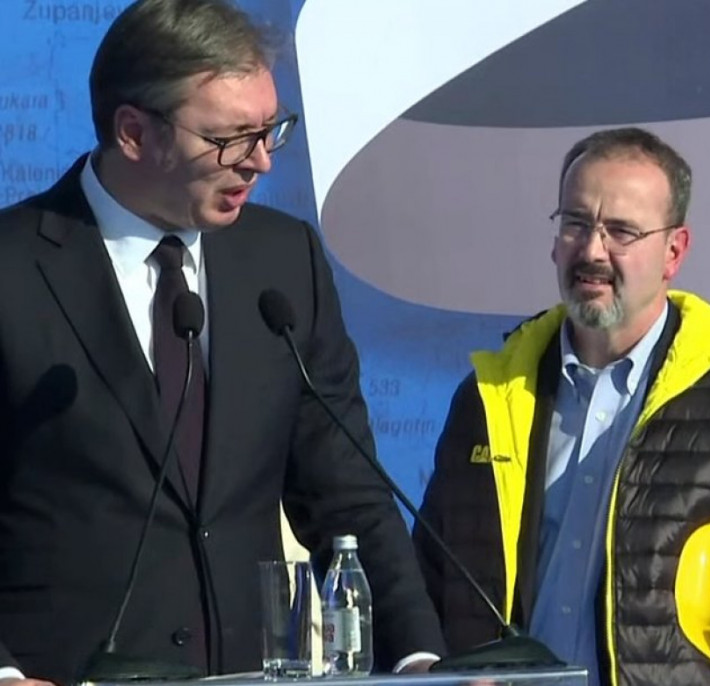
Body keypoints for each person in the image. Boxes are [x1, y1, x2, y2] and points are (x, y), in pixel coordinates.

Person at [0, 1, 443, 684]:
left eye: (270, 131)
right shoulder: (13, 268)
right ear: (133, 132)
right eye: (231, 138)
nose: (260, 161)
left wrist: (419, 658)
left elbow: (346, 493)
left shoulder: (284, 262)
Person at [413, 126, 710, 686]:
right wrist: (431, 667)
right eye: (576, 223)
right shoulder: (490, 396)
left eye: (622, 231)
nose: (592, 251)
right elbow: (427, 572)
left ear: (674, 251)